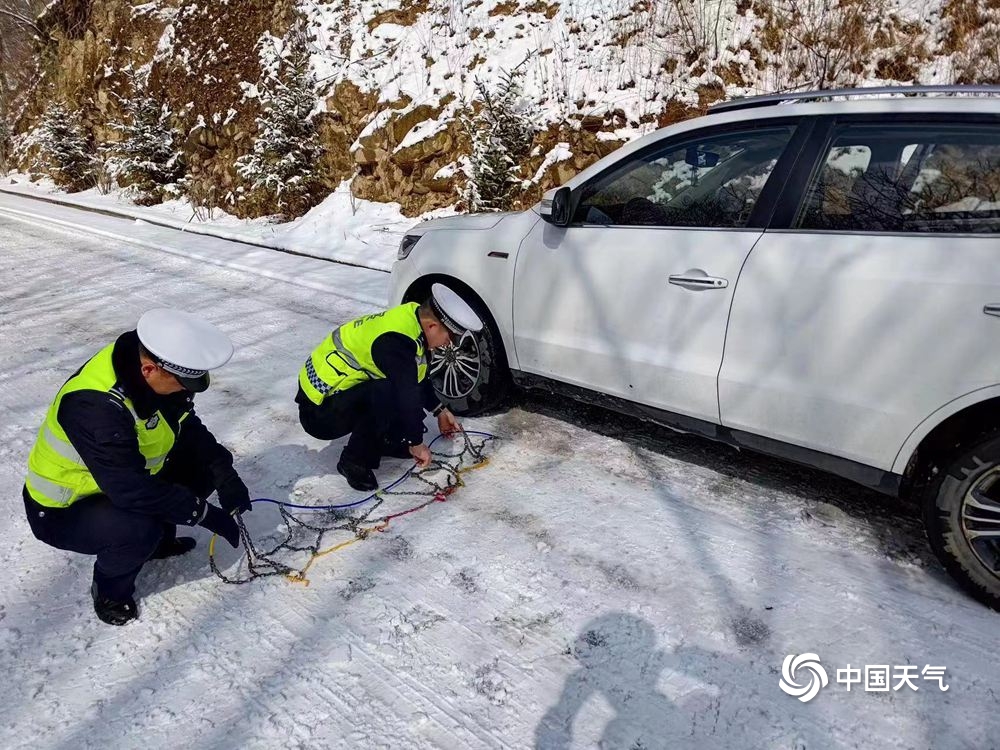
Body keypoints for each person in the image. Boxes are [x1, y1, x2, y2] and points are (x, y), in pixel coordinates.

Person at [22, 309, 251, 626]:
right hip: (63, 508)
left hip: (113, 480)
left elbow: (186, 426)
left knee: (199, 468)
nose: (188, 390)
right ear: (149, 370)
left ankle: (157, 544)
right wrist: (203, 513)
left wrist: (226, 477)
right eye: (184, 382)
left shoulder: (145, 368)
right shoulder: (95, 407)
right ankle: (109, 591)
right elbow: (132, 490)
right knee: (138, 530)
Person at [296, 283, 483, 491]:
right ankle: (354, 460)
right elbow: (406, 392)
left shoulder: (413, 319)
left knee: (391, 389)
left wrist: (440, 410)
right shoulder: (396, 342)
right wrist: (416, 442)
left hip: (339, 396)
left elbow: (416, 378)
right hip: (318, 411)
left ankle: (386, 440)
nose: (447, 345)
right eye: (448, 338)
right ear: (432, 326)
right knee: (388, 392)